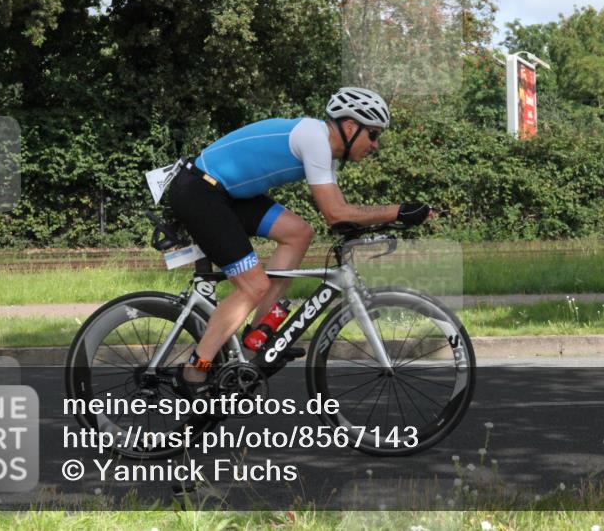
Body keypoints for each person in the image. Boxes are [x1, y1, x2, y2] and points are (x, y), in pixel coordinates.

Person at [166, 87, 433, 394]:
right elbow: (336, 213)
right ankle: (193, 372)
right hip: (201, 191)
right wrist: (397, 211)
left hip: (226, 193)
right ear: (350, 127)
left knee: (298, 233)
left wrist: (389, 219)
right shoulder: (315, 139)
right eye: (372, 135)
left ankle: (257, 337)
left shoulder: (326, 152)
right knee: (254, 286)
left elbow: (341, 217)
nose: (375, 145)